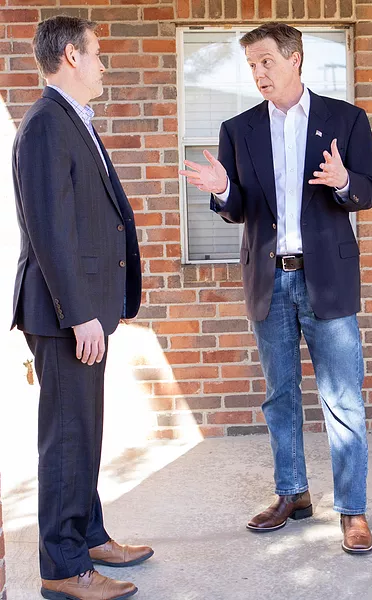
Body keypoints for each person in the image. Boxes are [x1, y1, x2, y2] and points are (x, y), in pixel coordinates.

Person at [180, 22, 372, 555]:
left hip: (327, 279)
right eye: (251, 65)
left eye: (266, 61)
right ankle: (292, 494)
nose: (258, 73)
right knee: (279, 396)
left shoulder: (346, 119)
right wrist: (224, 189)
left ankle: (353, 509)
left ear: (295, 59)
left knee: (343, 399)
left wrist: (343, 181)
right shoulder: (238, 128)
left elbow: (369, 190)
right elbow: (238, 208)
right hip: (270, 279)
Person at [11, 16, 153, 600]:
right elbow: (50, 229)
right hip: (64, 314)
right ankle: (64, 568)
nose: (103, 64)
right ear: (71, 55)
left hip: (81, 309)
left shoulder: (71, 119)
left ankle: (89, 536)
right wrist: (78, 313)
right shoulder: (47, 123)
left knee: (84, 431)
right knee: (67, 439)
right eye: (96, 54)